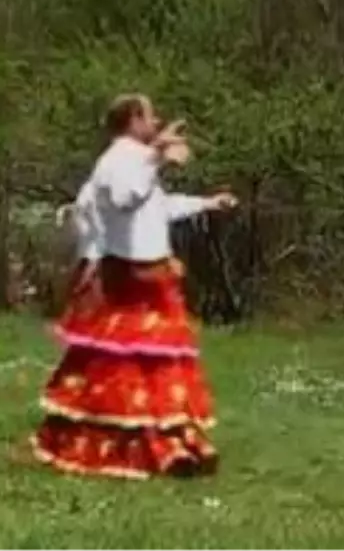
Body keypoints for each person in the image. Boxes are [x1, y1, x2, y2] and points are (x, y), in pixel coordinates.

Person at [31, 93, 238, 479]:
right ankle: (130, 447)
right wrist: (158, 158)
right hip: (129, 277)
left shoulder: (136, 160)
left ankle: (170, 444)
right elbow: (127, 199)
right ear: (132, 120)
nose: (156, 121)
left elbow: (159, 208)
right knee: (122, 367)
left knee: (157, 365)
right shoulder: (115, 162)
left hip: (154, 275)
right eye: (149, 116)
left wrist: (208, 203)